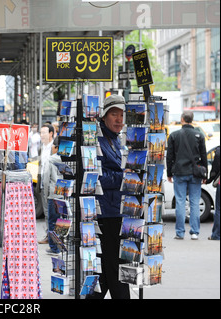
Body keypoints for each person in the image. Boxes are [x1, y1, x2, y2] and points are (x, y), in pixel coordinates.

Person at [88, 94, 130, 299]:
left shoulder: (117, 141)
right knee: (115, 268)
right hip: (106, 215)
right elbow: (96, 177)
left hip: (117, 212)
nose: (119, 119)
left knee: (106, 270)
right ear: (104, 116)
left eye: (122, 115)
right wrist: (125, 177)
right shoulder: (98, 140)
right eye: (114, 114)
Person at [166, 110, 207, 240]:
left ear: (182, 119)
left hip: (179, 172)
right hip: (195, 173)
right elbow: (203, 156)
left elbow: (170, 156)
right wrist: (204, 174)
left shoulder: (173, 135)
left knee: (180, 202)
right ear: (192, 119)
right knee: (194, 202)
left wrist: (169, 173)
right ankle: (195, 232)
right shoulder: (199, 135)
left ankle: (180, 232)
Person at [42, 136, 63, 254]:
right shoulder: (68, 159)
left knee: (52, 222)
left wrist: (46, 196)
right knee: (62, 222)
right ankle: (61, 245)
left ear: (56, 147)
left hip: (53, 195)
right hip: (64, 194)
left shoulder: (50, 160)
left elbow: (46, 180)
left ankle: (54, 248)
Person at [38, 123, 54, 244]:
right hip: (43, 184)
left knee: (52, 212)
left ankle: (53, 238)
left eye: (44, 133)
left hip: (52, 185)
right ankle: (49, 236)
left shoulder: (54, 148)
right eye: (41, 133)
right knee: (47, 212)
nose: (41, 135)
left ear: (50, 134)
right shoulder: (41, 148)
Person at [206, 145, 220, 240]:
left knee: (219, 209)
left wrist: (209, 180)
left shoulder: (219, 151)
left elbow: (215, 169)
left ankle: (216, 234)